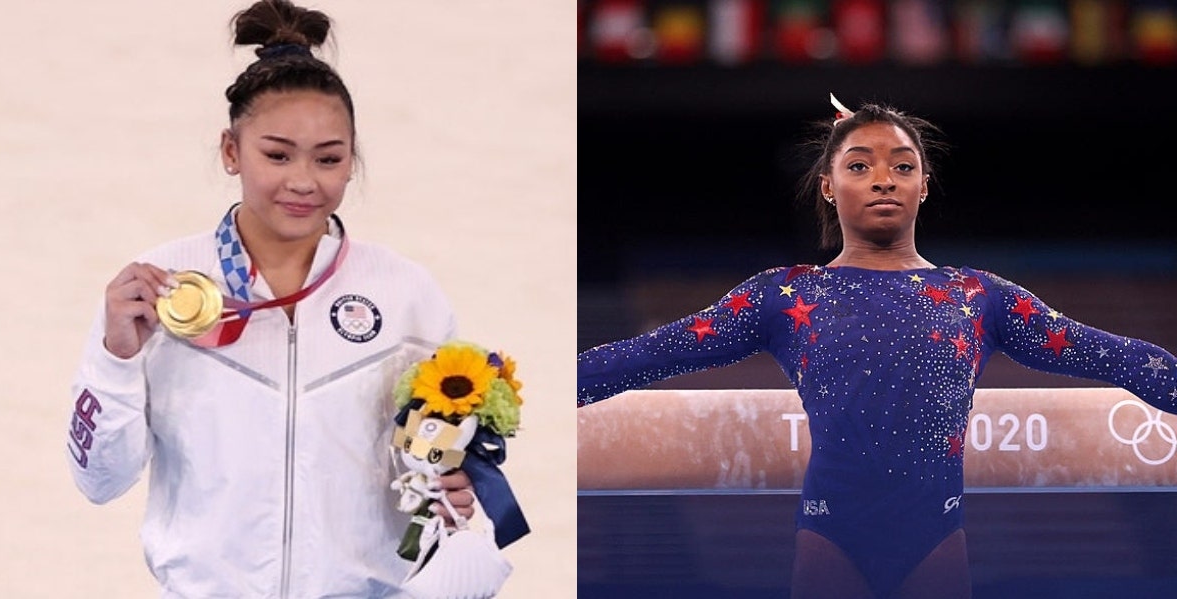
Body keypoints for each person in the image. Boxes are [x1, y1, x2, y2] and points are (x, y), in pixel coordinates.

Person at [577, 95, 1177, 599]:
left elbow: (1113, 355)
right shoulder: (785, 295)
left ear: (923, 184)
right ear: (829, 187)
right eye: (860, 166)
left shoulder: (978, 297)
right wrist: (533, 394)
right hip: (831, 535)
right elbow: (652, 353)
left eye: (902, 165)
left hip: (935, 539)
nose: (884, 178)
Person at [66, 1, 525, 596]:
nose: (304, 181)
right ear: (231, 151)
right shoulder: (163, 287)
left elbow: (431, 467)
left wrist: (451, 487)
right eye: (277, 154)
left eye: (329, 158)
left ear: (351, 161)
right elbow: (98, 481)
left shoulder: (406, 293)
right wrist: (115, 358)